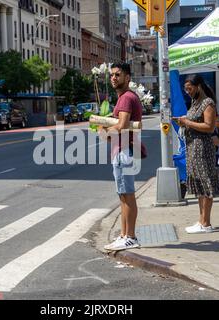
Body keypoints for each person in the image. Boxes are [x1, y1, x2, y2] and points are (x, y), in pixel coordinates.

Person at [102, 62, 143, 251]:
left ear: (127, 78)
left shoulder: (126, 98)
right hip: (122, 150)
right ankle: (124, 235)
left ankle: (131, 237)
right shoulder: (122, 98)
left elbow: (122, 125)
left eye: (118, 74)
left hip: (126, 151)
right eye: (111, 75)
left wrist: (105, 130)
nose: (113, 77)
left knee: (128, 195)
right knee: (123, 195)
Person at [175, 75, 217, 234]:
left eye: (189, 88)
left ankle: (206, 223)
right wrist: (184, 121)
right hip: (193, 148)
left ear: (198, 86)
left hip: (202, 149)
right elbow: (194, 122)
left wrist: (187, 122)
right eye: (185, 89)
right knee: (199, 184)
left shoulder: (208, 103)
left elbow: (209, 127)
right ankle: (201, 221)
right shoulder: (195, 102)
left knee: (205, 185)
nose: (187, 92)